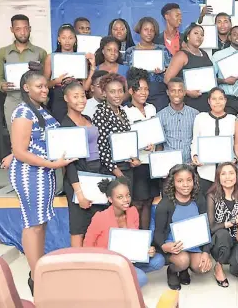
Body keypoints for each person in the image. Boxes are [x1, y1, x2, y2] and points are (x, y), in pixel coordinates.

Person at [8, 63, 72, 295]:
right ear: (26, 87)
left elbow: (32, 142)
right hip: (30, 173)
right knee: (32, 225)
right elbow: (21, 152)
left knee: (40, 223)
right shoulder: (23, 111)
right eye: (39, 86)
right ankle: (36, 276)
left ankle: (38, 270)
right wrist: (52, 164)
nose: (45, 90)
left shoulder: (40, 110)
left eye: (46, 86)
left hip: (44, 173)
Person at [83, 177, 164, 288]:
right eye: (120, 197)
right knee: (141, 279)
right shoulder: (100, 217)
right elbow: (87, 245)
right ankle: (114, 278)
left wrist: (146, 250)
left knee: (158, 260)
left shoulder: (133, 212)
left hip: (128, 259)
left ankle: (123, 276)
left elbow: (133, 239)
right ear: (110, 199)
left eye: (128, 195)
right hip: (108, 262)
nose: (126, 200)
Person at [61, 78, 107, 247]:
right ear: (66, 98)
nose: (80, 100)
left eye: (82, 96)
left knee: (97, 223)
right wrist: (78, 192)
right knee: (79, 226)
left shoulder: (87, 117)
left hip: (97, 173)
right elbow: (69, 163)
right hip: (79, 178)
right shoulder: (65, 125)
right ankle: (75, 269)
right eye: (75, 96)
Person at [153, 164, 213, 290]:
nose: (185, 184)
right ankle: (173, 271)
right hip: (174, 245)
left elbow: (206, 227)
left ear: (194, 181)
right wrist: (164, 246)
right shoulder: (165, 204)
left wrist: (206, 252)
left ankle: (184, 270)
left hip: (195, 243)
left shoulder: (199, 199)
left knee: (202, 267)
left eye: (189, 180)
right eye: (180, 181)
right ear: (173, 183)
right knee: (182, 260)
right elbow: (158, 232)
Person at [122, 68, 158, 230]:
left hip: (151, 162)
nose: (144, 93)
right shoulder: (125, 112)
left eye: (146, 89)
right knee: (136, 203)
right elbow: (123, 139)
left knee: (149, 201)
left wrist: (155, 144)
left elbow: (156, 132)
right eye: (139, 89)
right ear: (131, 91)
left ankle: (145, 240)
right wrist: (131, 157)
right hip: (136, 164)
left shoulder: (151, 109)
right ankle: (134, 239)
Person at [0, 14, 47, 134]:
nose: (23, 33)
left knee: (37, 137)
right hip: (12, 101)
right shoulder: (3, 52)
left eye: (26, 28)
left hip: (35, 101)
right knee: (15, 140)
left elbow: (46, 79)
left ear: (30, 29)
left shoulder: (40, 52)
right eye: (18, 29)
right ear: (12, 30)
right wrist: (1, 85)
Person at [92, 73, 140, 190]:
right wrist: (118, 174)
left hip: (127, 167)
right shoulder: (101, 114)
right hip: (112, 170)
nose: (117, 95)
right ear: (104, 93)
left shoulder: (122, 112)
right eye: (112, 92)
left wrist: (134, 159)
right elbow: (102, 149)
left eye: (120, 91)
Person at [206, 162, 238, 287]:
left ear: (237, 176)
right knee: (223, 234)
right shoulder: (212, 196)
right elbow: (212, 227)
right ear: (218, 177)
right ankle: (218, 267)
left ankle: (233, 262)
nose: (228, 177)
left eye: (231, 173)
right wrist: (232, 222)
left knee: (237, 270)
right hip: (220, 241)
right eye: (223, 174)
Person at [44, 24, 95, 122]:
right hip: (58, 97)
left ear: (75, 39)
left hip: (77, 97)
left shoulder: (82, 58)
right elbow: (45, 84)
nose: (67, 41)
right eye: (64, 38)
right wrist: (56, 81)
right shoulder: (51, 58)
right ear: (59, 39)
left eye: (70, 38)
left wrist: (92, 68)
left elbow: (85, 88)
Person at [191, 87, 236, 195]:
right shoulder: (200, 118)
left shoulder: (233, 119)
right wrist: (195, 155)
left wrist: (234, 158)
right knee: (207, 205)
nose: (217, 102)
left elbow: (236, 143)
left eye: (221, 98)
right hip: (205, 172)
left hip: (227, 173)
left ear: (225, 100)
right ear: (209, 101)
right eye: (214, 99)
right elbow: (195, 140)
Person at [125, 17, 172, 112]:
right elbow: (126, 74)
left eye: (152, 30)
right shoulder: (130, 51)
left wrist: (164, 71)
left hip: (159, 94)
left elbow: (172, 72)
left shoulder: (162, 50)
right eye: (146, 29)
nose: (149, 33)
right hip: (137, 93)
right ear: (140, 30)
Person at [164, 23, 213, 112]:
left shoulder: (204, 53)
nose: (199, 36)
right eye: (196, 33)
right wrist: (186, 92)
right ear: (188, 36)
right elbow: (167, 79)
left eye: (202, 34)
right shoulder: (181, 55)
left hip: (206, 101)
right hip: (189, 103)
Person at [157, 78, 199, 165]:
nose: (176, 94)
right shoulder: (160, 116)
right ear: (168, 92)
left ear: (184, 92)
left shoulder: (195, 114)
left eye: (180, 91)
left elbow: (197, 140)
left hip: (190, 164)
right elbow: (159, 145)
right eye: (173, 91)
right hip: (169, 165)